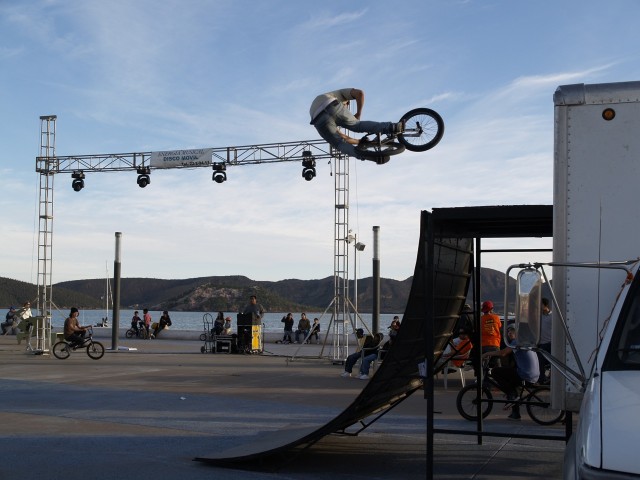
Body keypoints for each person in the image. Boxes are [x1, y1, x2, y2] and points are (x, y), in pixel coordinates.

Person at [309, 88, 403, 162]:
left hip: (317, 119)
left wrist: (359, 142)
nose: (347, 110)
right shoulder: (341, 94)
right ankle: (392, 127)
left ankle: (363, 155)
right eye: (346, 107)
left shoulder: (326, 100)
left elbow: (344, 138)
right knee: (357, 125)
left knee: (338, 143)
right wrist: (358, 114)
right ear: (345, 102)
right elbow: (360, 93)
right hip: (331, 104)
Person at [483, 326, 540, 420]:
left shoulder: (516, 342)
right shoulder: (525, 341)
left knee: (495, 371)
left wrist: (487, 354)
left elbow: (503, 353)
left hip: (526, 374)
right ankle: (515, 413)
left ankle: (511, 395)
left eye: (512, 331)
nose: (509, 333)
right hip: (533, 374)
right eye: (508, 331)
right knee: (512, 384)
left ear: (517, 333)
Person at [480, 300, 502, 368]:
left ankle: (484, 377)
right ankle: (497, 377)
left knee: (484, 364)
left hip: (483, 344)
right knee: (497, 364)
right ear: (491, 309)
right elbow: (500, 327)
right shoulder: (496, 318)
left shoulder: (481, 319)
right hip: (494, 344)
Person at [537, 297, 552, 383]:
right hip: (541, 343)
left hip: (550, 342)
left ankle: (550, 379)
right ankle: (542, 379)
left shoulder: (552, 316)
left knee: (551, 363)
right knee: (540, 361)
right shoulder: (539, 316)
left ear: (545, 305)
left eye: (541, 304)